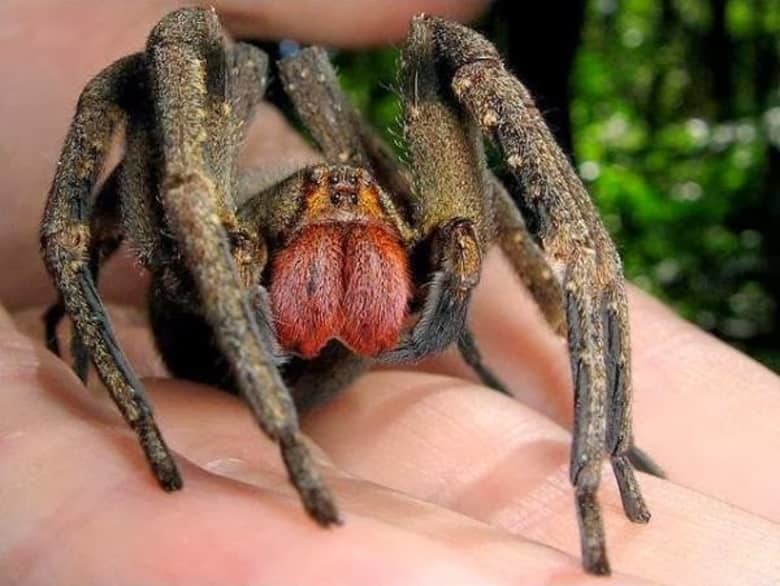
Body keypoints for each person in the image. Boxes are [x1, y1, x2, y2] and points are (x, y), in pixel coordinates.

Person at [0, 2, 778, 584]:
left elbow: (492, 205)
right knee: (165, 51)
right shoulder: (197, 223)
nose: (341, 200)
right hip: (195, 325)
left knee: (460, 65)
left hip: (325, 368)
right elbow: (124, 140)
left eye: (357, 195)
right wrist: (99, 314)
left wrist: (583, 319)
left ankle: (602, 454)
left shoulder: (435, 230)